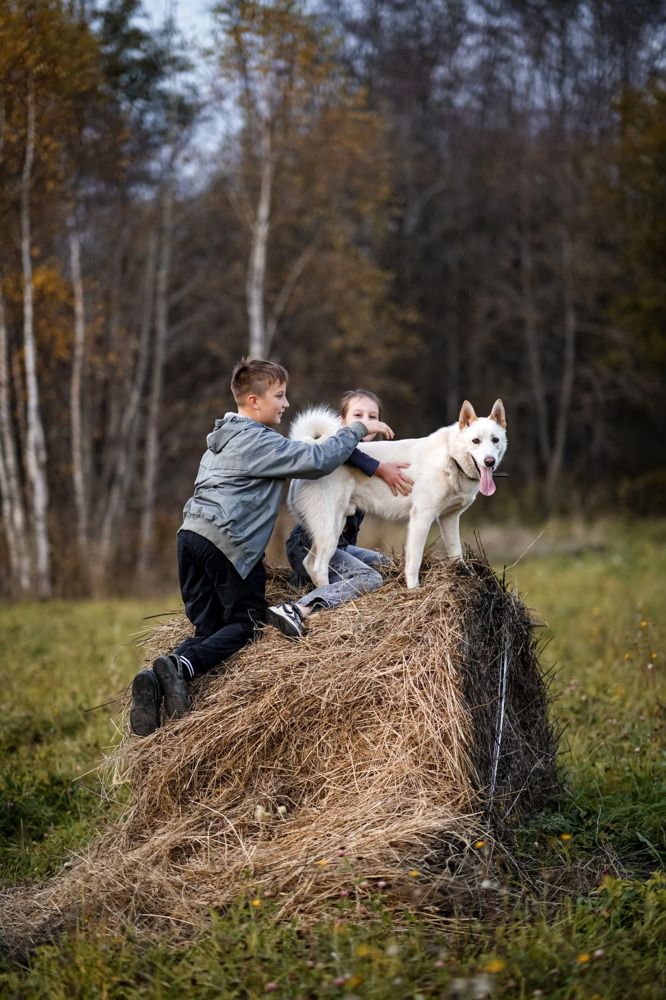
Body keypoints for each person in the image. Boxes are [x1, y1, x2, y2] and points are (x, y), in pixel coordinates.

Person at [129, 358, 394, 737]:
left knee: (212, 629)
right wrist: (355, 429)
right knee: (246, 623)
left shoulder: (221, 439)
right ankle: (182, 666)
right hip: (227, 542)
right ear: (254, 401)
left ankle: (163, 675)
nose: (286, 404)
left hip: (189, 538)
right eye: (280, 396)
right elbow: (316, 461)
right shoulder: (259, 440)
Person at [269, 389, 413, 637]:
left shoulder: (365, 456)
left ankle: (300, 585)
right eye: (358, 415)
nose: (365, 421)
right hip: (308, 544)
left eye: (372, 416)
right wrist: (379, 468)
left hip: (340, 548)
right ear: (342, 422)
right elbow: (347, 453)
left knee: (390, 568)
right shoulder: (334, 453)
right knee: (370, 579)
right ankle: (298, 608)